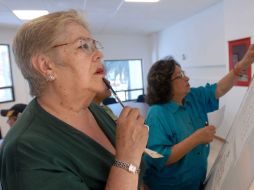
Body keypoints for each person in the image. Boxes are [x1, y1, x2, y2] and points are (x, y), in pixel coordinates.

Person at [0, 10, 148, 190]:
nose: (99, 54)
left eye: (94, 45)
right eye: (83, 46)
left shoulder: (95, 111)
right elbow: (130, 163)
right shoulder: (25, 151)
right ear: (46, 65)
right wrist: (128, 158)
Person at [143, 48, 254, 190]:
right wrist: (196, 138)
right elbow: (158, 157)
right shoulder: (157, 114)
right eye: (179, 76)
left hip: (195, 183)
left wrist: (242, 65)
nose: (186, 78)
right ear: (165, 85)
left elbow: (218, 89)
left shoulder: (191, 97)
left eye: (183, 72)